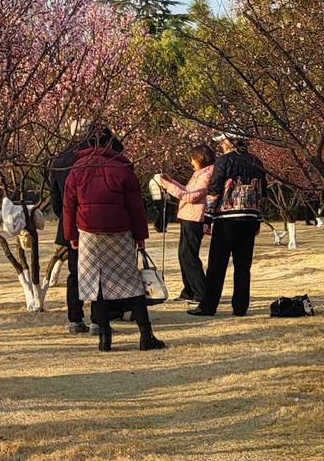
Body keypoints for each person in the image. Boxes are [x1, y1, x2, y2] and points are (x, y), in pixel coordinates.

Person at [63, 128, 165, 352]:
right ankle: (146, 335)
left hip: (88, 232)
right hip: (120, 230)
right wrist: (140, 237)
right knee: (131, 282)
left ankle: (104, 338)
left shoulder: (77, 169)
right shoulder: (122, 169)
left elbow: (69, 206)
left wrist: (70, 235)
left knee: (96, 284)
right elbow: (136, 208)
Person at [190, 134, 267, 317]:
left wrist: (207, 218)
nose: (221, 145)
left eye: (223, 142)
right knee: (243, 265)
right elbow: (263, 192)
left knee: (217, 263)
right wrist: (258, 219)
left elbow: (215, 189)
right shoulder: (256, 161)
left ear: (230, 142)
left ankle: (208, 306)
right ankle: (240, 306)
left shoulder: (224, 161)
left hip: (227, 217)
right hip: (249, 217)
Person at [153, 144, 215, 304]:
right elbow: (186, 190)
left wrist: (168, 186)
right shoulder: (199, 174)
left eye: (193, 158)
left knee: (189, 255)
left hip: (195, 218)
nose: (191, 161)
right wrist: (171, 181)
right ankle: (189, 290)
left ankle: (201, 292)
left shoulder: (207, 175)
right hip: (188, 216)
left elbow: (190, 197)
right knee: (183, 254)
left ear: (200, 158)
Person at [48, 121, 93, 334]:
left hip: (70, 223)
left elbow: (55, 199)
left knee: (74, 273)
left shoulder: (59, 160)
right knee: (98, 270)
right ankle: (99, 318)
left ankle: (75, 318)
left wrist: (66, 218)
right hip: (94, 223)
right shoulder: (96, 158)